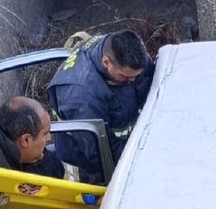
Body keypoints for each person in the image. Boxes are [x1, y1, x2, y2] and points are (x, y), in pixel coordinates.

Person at [47, 29, 155, 179]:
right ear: (106, 62)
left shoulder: (126, 51)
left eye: (136, 76)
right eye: (125, 77)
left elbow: (149, 82)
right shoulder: (82, 96)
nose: (132, 81)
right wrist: (146, 157)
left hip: (128, 144)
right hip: (91, 168)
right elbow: (100, 153)